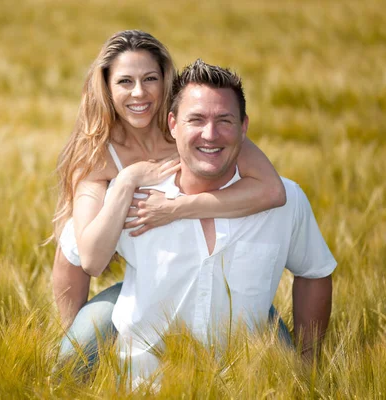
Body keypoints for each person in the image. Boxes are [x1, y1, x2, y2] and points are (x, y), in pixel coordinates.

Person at [75, 59, 336, 387]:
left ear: (244, 127)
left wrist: (308, 365)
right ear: (172, 124)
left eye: (224, 120)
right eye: (195, 119)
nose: (210, 134)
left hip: (247, 387)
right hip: (143, 387)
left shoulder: (287, 201)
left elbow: (314, 273)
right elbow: (80, 258)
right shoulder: (132, 198)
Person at [52, 30, 289, 370]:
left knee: (288, 368)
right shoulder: (97, 157)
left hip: (215, 279)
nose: (139, 93)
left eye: (150, 78)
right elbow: (87, 259)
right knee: (71, 361)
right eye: (124, 81)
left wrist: (177, 209)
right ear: (105, 87)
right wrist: (128, 181)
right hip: (144, 280)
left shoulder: (192, 128)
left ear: (166, 80)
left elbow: (272, 190)